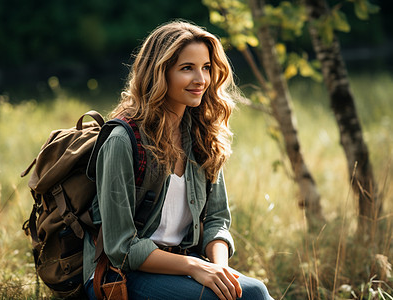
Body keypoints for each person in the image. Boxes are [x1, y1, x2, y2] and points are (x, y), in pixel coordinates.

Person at [83, 20, 273, 300]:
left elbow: (217, 219)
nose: (201, 80)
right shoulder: (123, 140)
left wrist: (218, 270)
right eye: (187, 68)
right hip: (122, 275)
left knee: (253, 291)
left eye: (206, 68)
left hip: (187, 264)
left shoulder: (201, 135)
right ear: (160, 73)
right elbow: (120, 248)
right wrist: (195, 267)